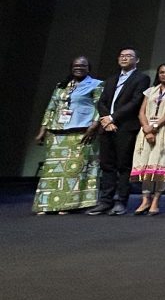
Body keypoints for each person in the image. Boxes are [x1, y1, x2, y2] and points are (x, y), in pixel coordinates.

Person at [32, 56, 103, 214]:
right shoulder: (62, 86)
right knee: (52, 171)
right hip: (57, 132)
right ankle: (46, 205)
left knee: (73, 171)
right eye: (76, 65)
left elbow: (100, 107)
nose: (79, 67)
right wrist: (42, 130)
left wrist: (94, 125)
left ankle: (67, 205)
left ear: (88, 68)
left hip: (81, 132)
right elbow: (51, 108)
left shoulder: (96, 85)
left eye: (83, 65)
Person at [88, 48, 151, 216]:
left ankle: (120, 201)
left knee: (124, 166)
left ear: (137, 60)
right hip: (107, 127)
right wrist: (105, 119)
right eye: (122, 56)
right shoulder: (111, 79)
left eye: (129, 56)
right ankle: (105, 201)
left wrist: (113, 118)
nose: (124, 58)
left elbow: (135, 101)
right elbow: (101, 102)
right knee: (107, 165)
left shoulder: (142, 78)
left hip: (125, 127)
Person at [129, 63, 165, 216]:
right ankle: (145, 199)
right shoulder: (150, 91)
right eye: (161, 72)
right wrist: (146, 128)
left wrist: (154, 127)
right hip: (146, 131)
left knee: (160, 164)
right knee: (146, 163)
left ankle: (155, 201)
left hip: (164, 131)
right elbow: (141, 112)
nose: (164, 74)